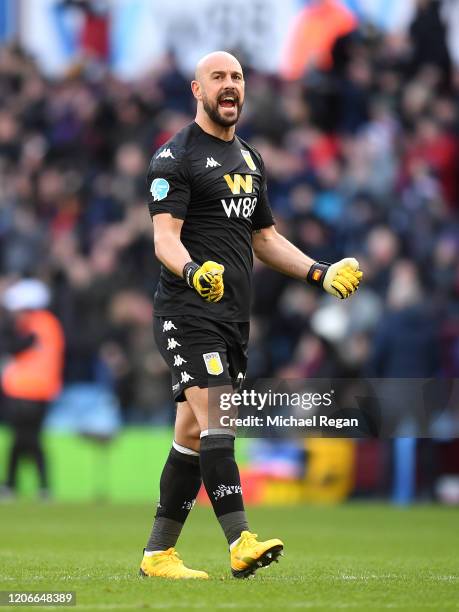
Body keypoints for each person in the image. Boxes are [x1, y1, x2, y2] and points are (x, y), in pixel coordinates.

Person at [141, 51, 362, 580]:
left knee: (192, 434)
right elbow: (164, 241)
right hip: (187, 310)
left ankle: (158, 554)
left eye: (236, 77)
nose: (229, 85)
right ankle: (240, 540)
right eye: (218, 77)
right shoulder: (174, 158)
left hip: (234, 319)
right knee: (221, 418)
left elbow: (264, 238)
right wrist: (195, 271)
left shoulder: (250, 158)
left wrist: (319, 272)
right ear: (197, 89)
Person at [0, 279, 65, 500]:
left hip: (25, 390)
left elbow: (13, 347)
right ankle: (30, 486)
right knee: (27, 438)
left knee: (25, 439)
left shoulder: (33, 324)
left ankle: (19, 485)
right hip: (39, 391)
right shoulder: (51, 323)